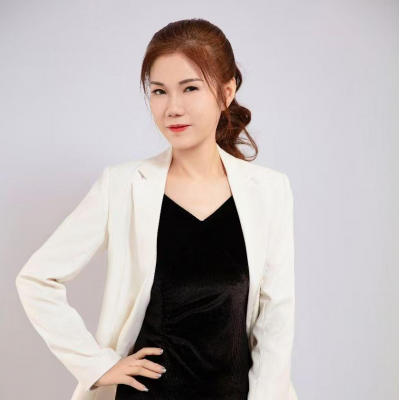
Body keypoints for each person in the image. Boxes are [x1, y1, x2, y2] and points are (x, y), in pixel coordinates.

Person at [16, 18, 298, 400]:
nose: (172, 108)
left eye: (190, 88)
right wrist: (97, 365)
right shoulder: (122, 186)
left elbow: (276, 321)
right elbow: (36, 279)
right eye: (159, 91)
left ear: (226, 92)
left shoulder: (269, 190)